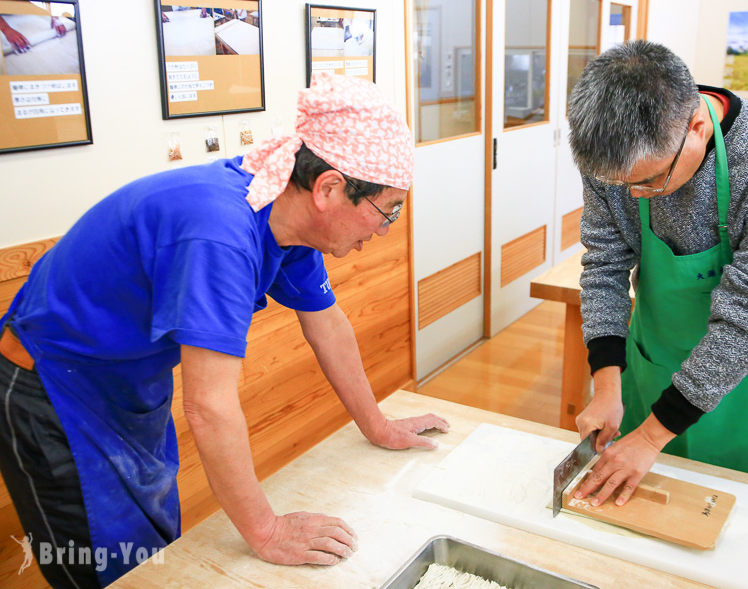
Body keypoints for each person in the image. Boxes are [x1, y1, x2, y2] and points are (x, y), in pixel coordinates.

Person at [0, 73, 449, 588]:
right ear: (329, 188)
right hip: (53, 388)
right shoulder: (219, 229)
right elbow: (209, 406)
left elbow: (327, 323)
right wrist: (267, 530)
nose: (381, 230)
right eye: (384, 212)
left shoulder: (289, 218)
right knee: (106, 564)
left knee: (151, 553)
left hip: (124, 385)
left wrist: (378, 425)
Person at [566, 41, 748, 508]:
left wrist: (648, 439)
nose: (638, 196)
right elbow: (605, 263)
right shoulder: (610, 157)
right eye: (621, 186)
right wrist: (605, 385)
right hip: (660, 342)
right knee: (658, 501)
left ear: (697, 127)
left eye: (650, 181)